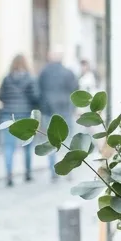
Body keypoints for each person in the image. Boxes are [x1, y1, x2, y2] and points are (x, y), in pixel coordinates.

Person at [37, 49, 80, 181]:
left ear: (50, 57)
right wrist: (73, 107)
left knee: (51, 142)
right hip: (65, 110)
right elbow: (76, 90)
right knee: (68, 141)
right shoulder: (68, 73)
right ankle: (68, 169)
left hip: (49, 112)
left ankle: (53, 171)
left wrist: (42, 107)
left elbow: (38, 92)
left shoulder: (43, 73)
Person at [0, 55, 38, 186]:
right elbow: (35, 97)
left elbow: (0, 95)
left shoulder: (7, 79)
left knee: (9, 147)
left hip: (8, 115)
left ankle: (9, 175)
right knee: (27, 145)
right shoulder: (30, 79)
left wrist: (9, 102)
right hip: (25, 116)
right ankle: (28, 173)